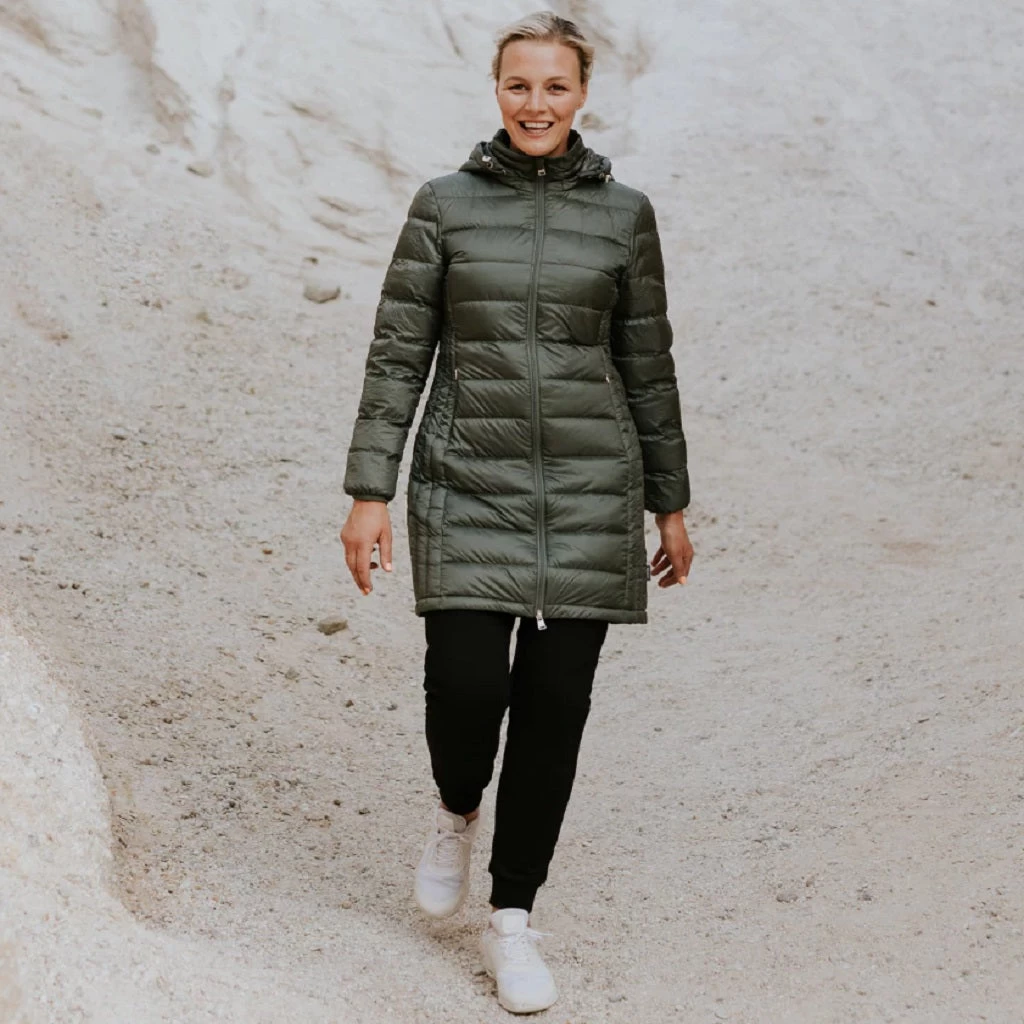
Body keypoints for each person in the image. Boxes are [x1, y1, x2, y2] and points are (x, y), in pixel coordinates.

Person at [340, 10, 693, 1015]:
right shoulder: (443, 205)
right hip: (467, 479)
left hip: (589, 490)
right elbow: (398, 355)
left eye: (554, 86)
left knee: (554, 711)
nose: (536, 103)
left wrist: (669, 503)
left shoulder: (625, 216)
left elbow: (648, 366)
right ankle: (456, 807)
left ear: (582, 95)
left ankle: (512, 920)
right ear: (497, 91)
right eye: (518, 85)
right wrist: (369, 490)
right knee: (464, 688)